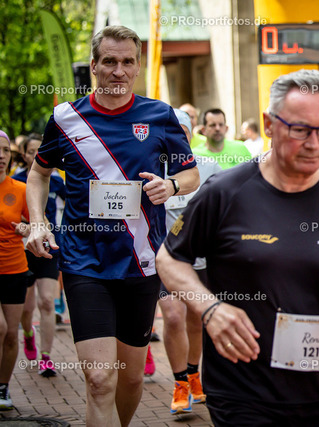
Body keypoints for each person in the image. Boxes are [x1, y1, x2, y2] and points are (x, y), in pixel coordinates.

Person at [156, 69, 319, 426]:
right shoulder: (225, 192)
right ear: (268, 124)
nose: (315, 144)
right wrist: (210, 308)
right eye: (300, 130)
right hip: (242, 386)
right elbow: (169, 258)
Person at [25, 25, 199, 426]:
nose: (118, 71)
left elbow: (190, 174)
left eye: (127, 62)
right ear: (93, 65)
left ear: (137, 67)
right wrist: (38, 222)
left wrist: (171, 185)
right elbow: (38, 173)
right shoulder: (66, 118)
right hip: (84, 262)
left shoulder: (161, 116)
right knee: (101, 379)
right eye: (109, 61)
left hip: (141, 262)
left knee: (131, 378)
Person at [159, 108, 222, 415]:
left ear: (190, 134)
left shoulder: (208, 166)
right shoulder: (151, 169)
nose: (177, 137)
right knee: (173, 317)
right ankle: (179, 383)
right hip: (166, 259)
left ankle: (194, 374)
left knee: (196, 321)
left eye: (182, 132)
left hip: (202, 260)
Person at [13, 133, 66, 377]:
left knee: (46, 301)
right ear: (24, 155)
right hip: (23, 249)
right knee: (26, 308)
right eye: (31, 151)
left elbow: (74, 204)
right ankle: (28, 334)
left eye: (39, 150)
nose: (36, 154)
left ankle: (46, 358)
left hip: (49, 247)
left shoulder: (55, 181)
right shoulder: (16, 181)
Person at [0, 130, 31, 410]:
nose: (1, 156)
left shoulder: (20, 189)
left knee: (11, 334)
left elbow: (39, 226)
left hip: (14, 269)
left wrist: (27, 228)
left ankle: (3, 387)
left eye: (5, 151)